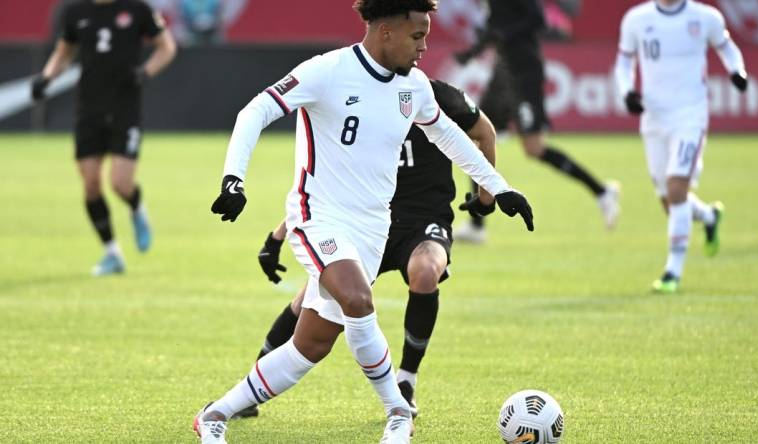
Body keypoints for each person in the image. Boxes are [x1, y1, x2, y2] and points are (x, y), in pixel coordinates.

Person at [194, 1, 536, 442]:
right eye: (417, 37)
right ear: (387, 32)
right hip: (318, 216)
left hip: (373, 230)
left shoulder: (414, 88)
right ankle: (398, 411)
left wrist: (500, 187)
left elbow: (450, 136)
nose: (425, 47)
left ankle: (216, 414)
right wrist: (233, 180)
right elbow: (254, 112)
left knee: (311, 345)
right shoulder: (328, 71)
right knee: (358, 301)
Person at [234, 79, 498, 421]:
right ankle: (248, 391)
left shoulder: (438, 96)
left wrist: (486, 195)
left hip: (423, 221)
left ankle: (406, 381)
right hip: (366, 222)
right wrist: (278, 235)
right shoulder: (356, 102)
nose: (421, 48)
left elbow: (485, 132)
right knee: (309, 302)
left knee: (425, 271)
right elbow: (324, 185)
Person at [453, 0, 620, 243]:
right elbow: (494, 28)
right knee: (478, 136)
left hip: (525, 72)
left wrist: (505, 35)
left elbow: (538, 20)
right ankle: (477, 225)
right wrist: (473, 52)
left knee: (534, 148)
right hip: (504, 70)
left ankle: (603, 192)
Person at [31, 0, 177, 276]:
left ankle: (136, 208)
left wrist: (145, 72)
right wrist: (46, 78)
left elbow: (166, 47)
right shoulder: (75, 12)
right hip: (89, 109)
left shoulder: (137, 9)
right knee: (90, 184)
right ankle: (112, 252)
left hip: (125, 109)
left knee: (121, 184)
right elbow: (64, 52)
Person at [614, 0, 747, 293]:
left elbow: (727, 47)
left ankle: (673, 272)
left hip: (690, 116)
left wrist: (737, 71)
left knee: (676, 190)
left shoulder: (705, 17)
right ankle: (710, 216)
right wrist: (626, 93)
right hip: (654, 118)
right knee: (668, 199)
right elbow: (624, 62)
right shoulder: (636, 19)